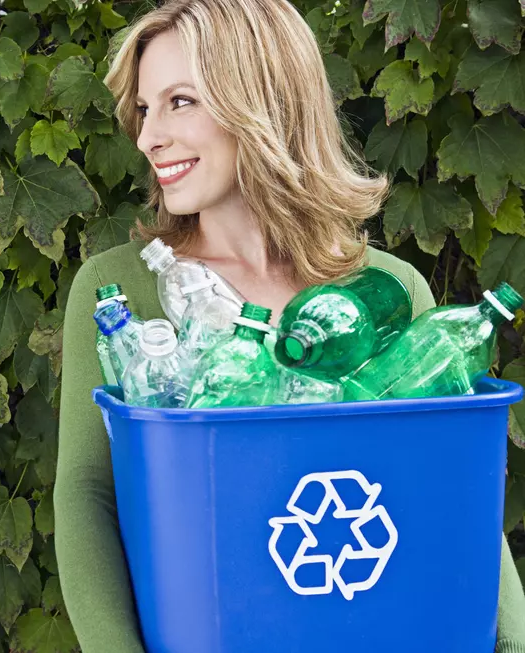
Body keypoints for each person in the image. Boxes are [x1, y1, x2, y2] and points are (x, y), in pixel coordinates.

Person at [54, 0, 525, 651]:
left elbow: (458, 488)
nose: (147, 136)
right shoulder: (124, 294)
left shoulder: (386, 292)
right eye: (144, 108)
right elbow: (88, 496)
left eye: (180, 101)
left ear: (263, 102)